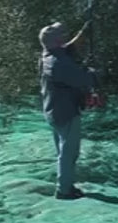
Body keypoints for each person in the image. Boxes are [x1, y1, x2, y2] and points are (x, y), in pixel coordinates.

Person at [39, 21, 98, 200]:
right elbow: (81, 79)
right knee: (69, 152)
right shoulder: (57, 63)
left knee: (63, 151)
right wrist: (95, 72)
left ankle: (65, 185)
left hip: (53, 111)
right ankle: (64, 190)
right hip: (65, 112)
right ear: (56, 41)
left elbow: (68, 48)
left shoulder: (48, 55)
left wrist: (84, 32)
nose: (65, 38)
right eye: (62, 36)